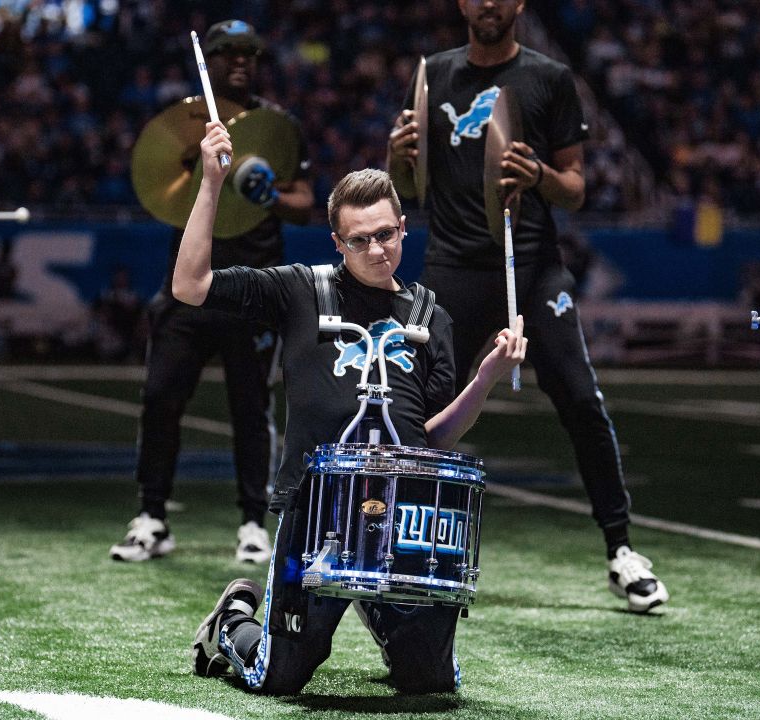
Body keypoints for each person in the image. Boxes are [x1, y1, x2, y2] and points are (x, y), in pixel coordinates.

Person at [183, 123, 526, 694]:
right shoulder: (298, 290)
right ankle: (233, 622)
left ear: (403, 229)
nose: (376, 250)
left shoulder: (430, 318)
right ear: (337, 242)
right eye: (360, 239)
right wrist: (212, 184)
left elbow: (433, 439)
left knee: (431, 683)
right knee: (278, 676)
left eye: (386, 235)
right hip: (313, 521)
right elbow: (190, 285)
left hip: (401, 524)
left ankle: (379, 609)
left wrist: (486, 376)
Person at [386, 0, 669, 613]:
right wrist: (396, 158)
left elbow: (576, 186)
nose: (489, 3)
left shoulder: (549, 78)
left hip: (534, 267)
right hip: (453, 268)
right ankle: (397, 552)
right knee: (423, 407)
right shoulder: (434, 73)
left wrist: (538, 173)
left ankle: (621, 551)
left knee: (581, 399)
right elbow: (410, 187)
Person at [111, 20, 314, 565]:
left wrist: (265, 190)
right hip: (190, 285)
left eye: (250, 51)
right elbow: (159, 184)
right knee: (160, 398)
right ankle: (152, 517)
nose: (241, 60)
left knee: (252, 409)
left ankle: (253, 522)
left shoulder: (278, 126)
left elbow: (306, 201)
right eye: (228, 52)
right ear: (212, 60)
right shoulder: (187, 125)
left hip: (255, 288)